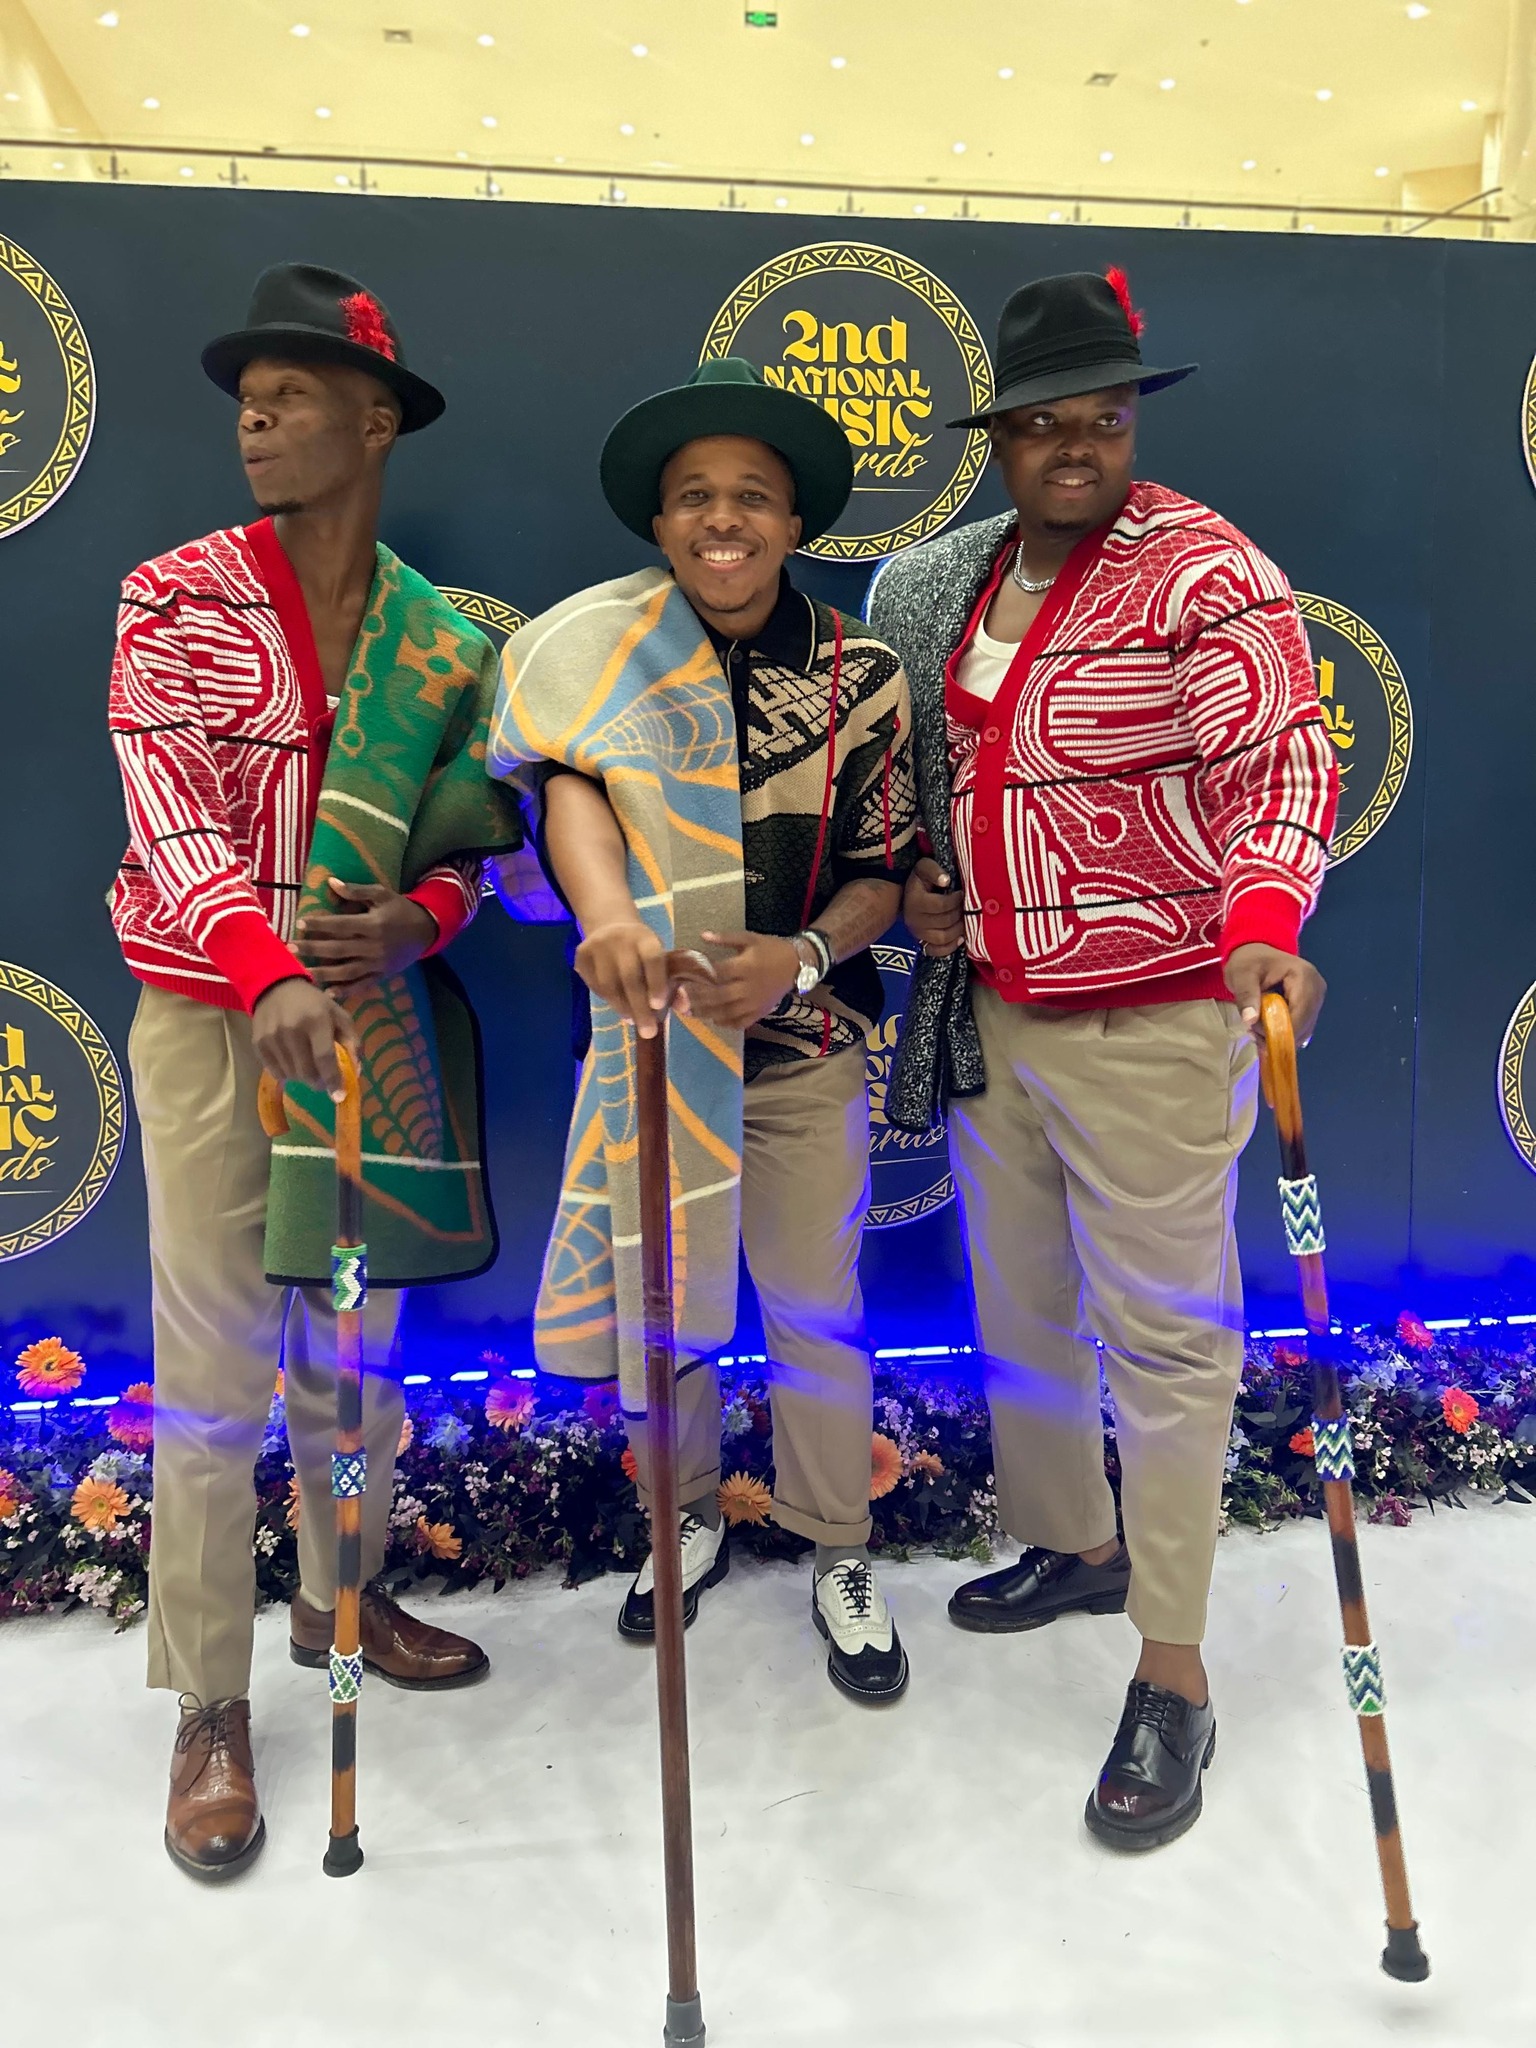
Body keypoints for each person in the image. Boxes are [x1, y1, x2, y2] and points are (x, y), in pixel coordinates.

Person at [867, 269, 1338, 1844]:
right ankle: (1077, 1544)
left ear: (1134, 425)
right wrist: (933, 883)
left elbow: (1279, 760)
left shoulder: (1203, 569)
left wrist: (1264, 917)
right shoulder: (965, 581)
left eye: (1105, 418)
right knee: (1026, 1310)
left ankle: (1176, 1672)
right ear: (998, 440)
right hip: (1002, 1011)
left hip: (1154, 1019)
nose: (1077, 445)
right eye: (1043, 422)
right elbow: (963, 776)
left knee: (1168, 1342)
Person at [108, 263, 521, 1881]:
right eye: (247, 401)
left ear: (377, 420)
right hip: (215, 1019)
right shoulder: (175, 598)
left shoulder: (447, 640)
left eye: (291, 397)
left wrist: (426, 918)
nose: (256, 421)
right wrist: (262, 966)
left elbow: (474, 837)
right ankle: (210, 1700)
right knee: (217, 1369)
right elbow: (170, 809)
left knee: (356, 1355)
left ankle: (340, 1593)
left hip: (368, 1028)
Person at [489, 359, 919, 1702]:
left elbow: (883, 872)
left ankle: (838, 1544)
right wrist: (609, 917)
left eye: (751, 496)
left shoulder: (860, 670)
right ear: (658, 521)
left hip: (802, 1048)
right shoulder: (597, 652)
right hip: (651, 1046)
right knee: (661, 1308)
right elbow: (566, 788)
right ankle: (679, 1518)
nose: (721, 518)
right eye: (692, 496)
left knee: (813, 1307)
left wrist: (798, 958)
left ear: (794, 523)